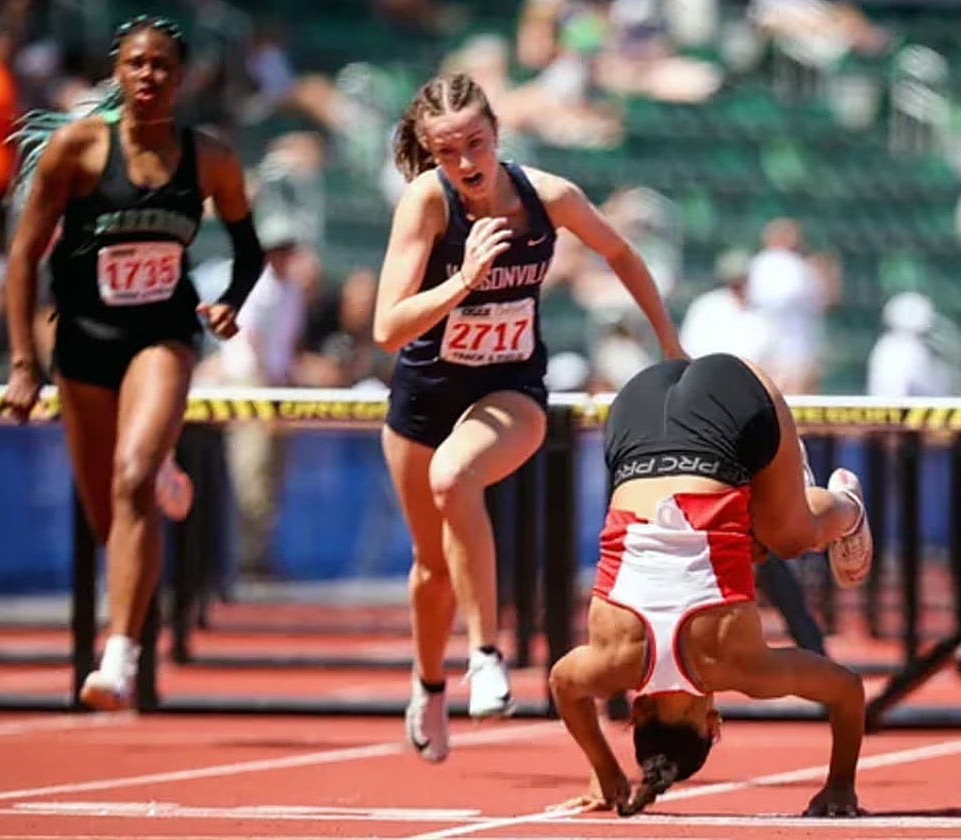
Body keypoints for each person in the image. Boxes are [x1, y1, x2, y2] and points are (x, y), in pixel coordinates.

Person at [373, 71, 685, 763]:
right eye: (447, 153)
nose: (465, 166)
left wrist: (668, 341)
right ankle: (428, 683)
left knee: (456, 481)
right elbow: (386, 329)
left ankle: (486, 654)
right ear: (429, 154)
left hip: (509, 392)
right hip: (424, 398)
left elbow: (621, 252)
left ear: (497, 135)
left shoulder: (550, 198)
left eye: (475, 146)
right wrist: (462, 282)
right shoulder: (427, 205)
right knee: (431, 568)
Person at [1, 15, 264, 711]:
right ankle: (160, 467)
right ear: (117, 72)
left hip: (164, 334)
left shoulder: (208, 158)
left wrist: (231, 300)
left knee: (132, 476)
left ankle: (120, 654)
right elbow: (23, 257)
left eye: (162, 67)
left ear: (180, 78)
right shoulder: (77, 150)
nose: (149, 77)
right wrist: (25, 363)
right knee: (106, 516)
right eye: (137, 64)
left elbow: (249, 248)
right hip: (83, 338)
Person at [548, 353, 872, 818]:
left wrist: (840, 785)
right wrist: (604, 767)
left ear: (713, 723)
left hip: (736, 399)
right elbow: (562, 684)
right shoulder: (607, 665)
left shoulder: (740, 667)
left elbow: (848, 690)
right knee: (753, 542)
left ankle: (846, 506)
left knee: (788, 538)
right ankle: (775, 487)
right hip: (637, 399)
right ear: (636, 714)